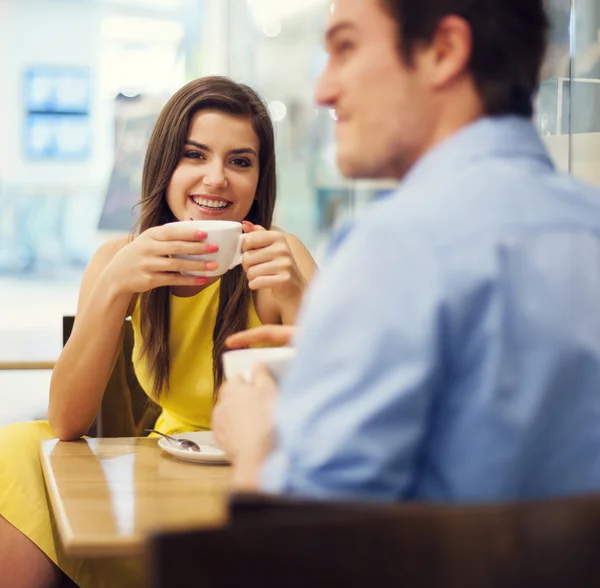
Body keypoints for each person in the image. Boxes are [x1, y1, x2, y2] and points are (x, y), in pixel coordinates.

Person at [214, 0, 600, 501]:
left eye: (346, 48)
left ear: (444, 51)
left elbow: (305, 547)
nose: (324, 89)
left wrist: (254, 442)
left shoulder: (395, 247)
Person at [0, 76, 316, 588]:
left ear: (259, 181)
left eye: (240, 161)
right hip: (165, 468)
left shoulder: (279, 259)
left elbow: (343, 409)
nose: (216, 179)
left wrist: (302, 296)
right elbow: (67, 421)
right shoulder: (119, 259)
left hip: (250, 481)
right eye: (195, 155)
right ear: (164, 166)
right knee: (13, 449)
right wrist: (117, 283)